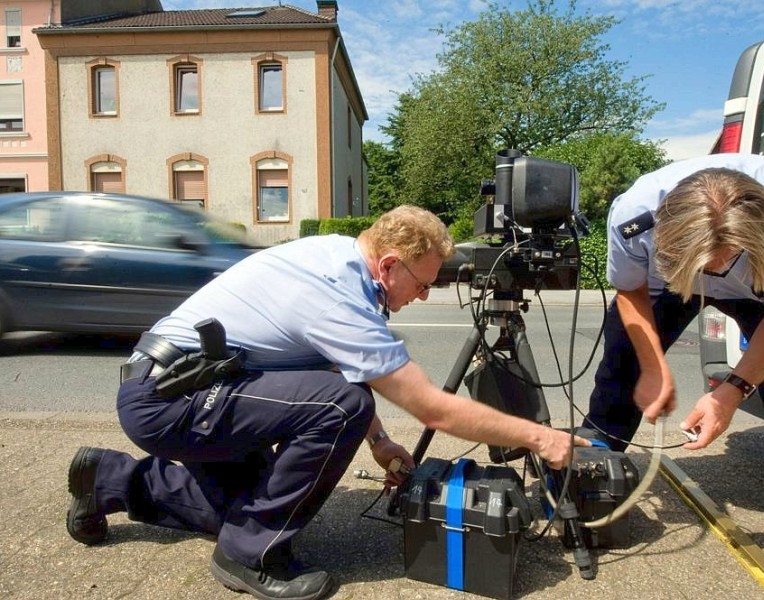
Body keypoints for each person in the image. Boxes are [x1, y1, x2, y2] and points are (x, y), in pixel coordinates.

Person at [66, 205, 589, 600]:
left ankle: (107, 480)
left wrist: (381, 444)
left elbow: (337, 368)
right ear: (389, 265)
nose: (424, 296)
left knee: (239, 506)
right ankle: (249, 556)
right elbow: (432, 408)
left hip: (183, 387)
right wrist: (541, 437)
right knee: (339, 408)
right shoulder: (338, 292)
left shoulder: (336, 254)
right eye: (423, 283)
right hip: (174, 400)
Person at [583, 153, 764, 537]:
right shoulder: (633, 215)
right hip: (665, 283)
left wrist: (731, 392)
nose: (711, 277)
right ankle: (586, 482)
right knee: (619, 374)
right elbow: (631, 291)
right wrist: (651, 366)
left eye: (724, 260)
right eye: (704, 266)